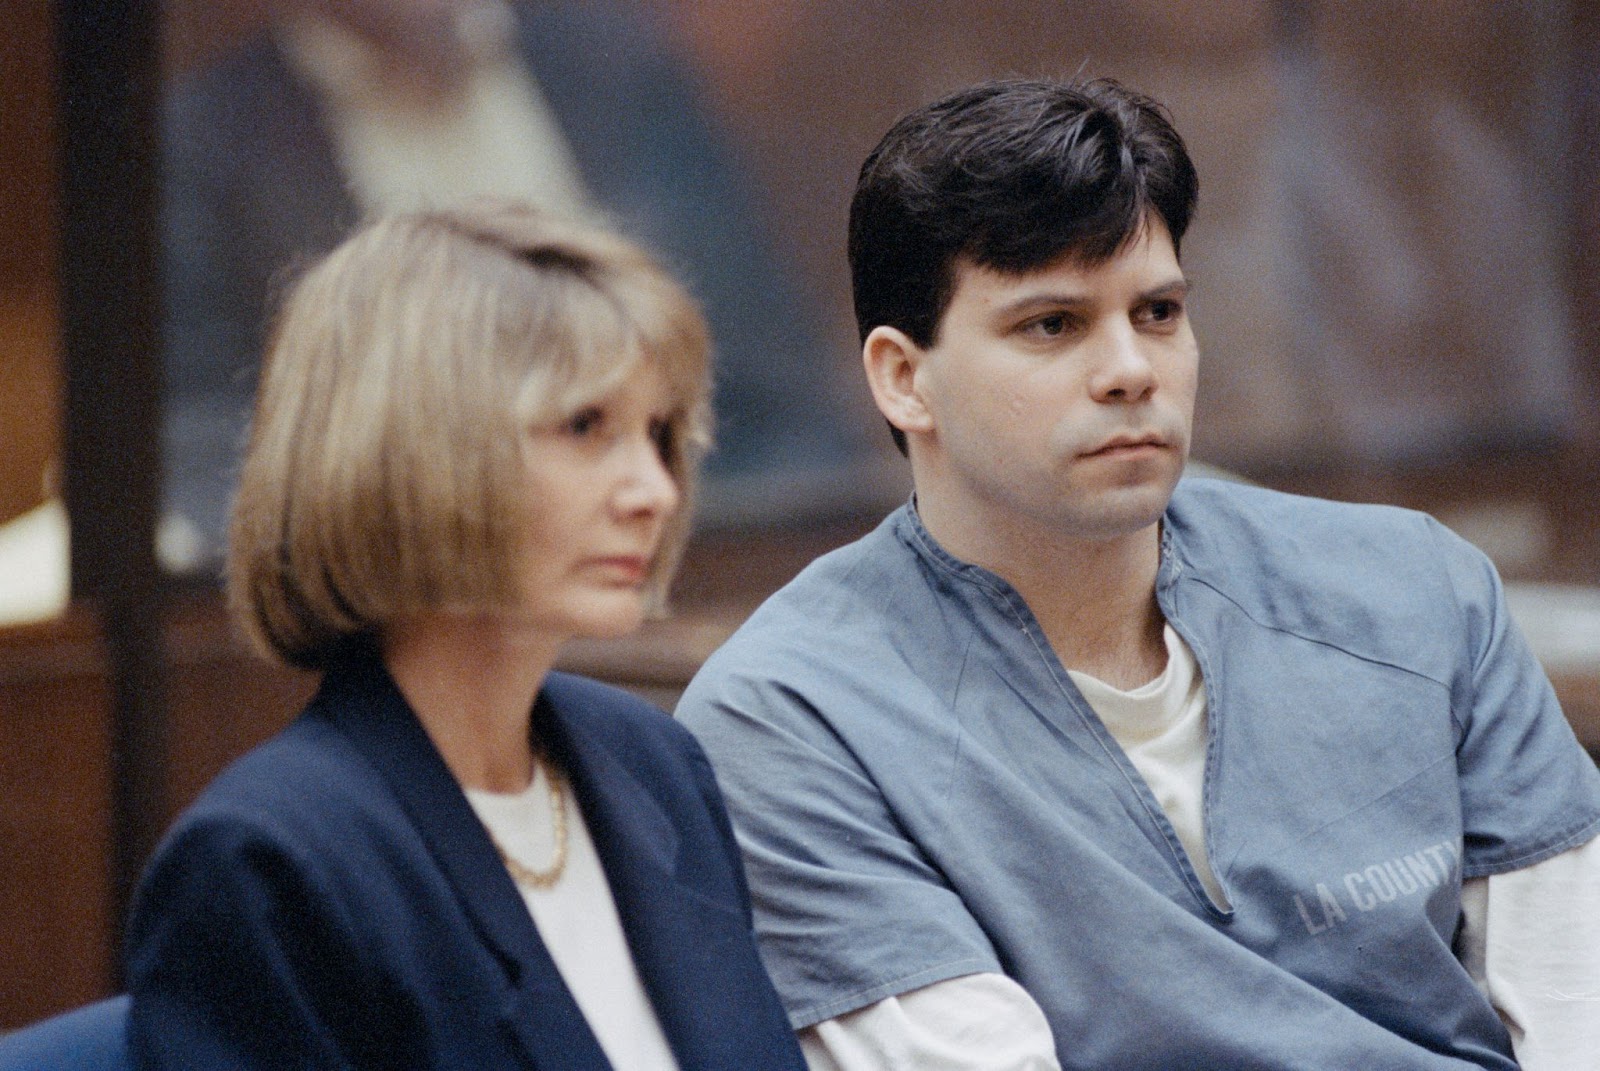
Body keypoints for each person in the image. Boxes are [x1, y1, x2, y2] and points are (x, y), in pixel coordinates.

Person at [675, 79, 1600, 1070]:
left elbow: (1573, 1000)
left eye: (1157, 311)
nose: (1130, 368)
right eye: (1052, 325)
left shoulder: (1417, 592)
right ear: (903, 377)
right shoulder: (793, 717)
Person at [125, 203, 806, 1070]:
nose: (655, 490)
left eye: (660, 434)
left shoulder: (658, 766)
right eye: (585, 426)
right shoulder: (268, 864)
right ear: (411, 448)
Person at [160, 0, 869, 570]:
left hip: (687, 561)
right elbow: (209, 454)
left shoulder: (612, 58)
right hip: (408, 604)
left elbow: (776, 383)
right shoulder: (205, 139)